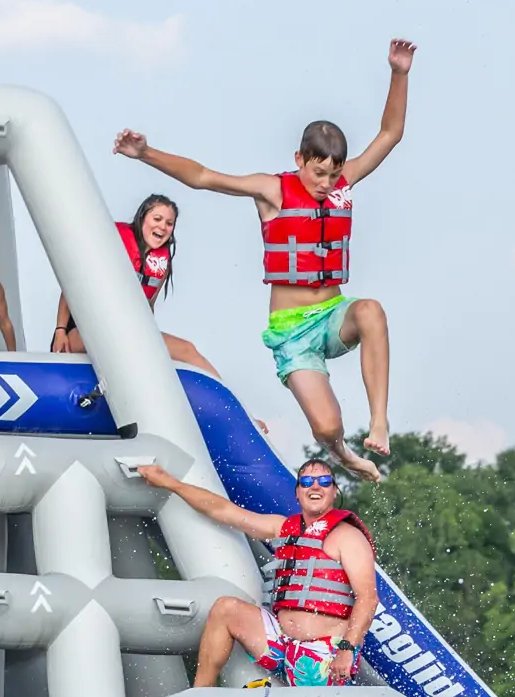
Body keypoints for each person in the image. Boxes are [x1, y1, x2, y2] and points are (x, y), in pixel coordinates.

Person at [113, 39, 416, 482]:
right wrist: (146, 153)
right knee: (327, 426)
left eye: (333, 174)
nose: (326, 183)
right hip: (292, 330)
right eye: (318, 173)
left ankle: (379, 422)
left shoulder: (342, 182)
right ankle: (343, 453)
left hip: (333, 312)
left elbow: (390, 134)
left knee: (371, 311)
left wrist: (399, 73)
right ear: (299, 160)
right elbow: (203, 178)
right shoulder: (272, 190)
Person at [138, 459, 374, 687]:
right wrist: (170, 483)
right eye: (306, 481)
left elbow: (368, 598)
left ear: (334, 492)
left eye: (324, 481)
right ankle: (200, 694)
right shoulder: (282, 527)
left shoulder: (348, 537)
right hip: (281, 645)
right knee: (225, 608)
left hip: (324, 655)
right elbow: (223, 510)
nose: (315, 486)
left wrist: (347, 649)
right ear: (297, 493)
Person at [51, 195, 222, 378]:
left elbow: (148, 307)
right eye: (157, 219)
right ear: (142, 218)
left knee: (188, 350)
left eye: (169, 223)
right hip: (82, 333)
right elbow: (73, 284)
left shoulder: (161, 265)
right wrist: (60, 330)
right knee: (114, 336)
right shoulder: (112, 243)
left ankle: (230, 401)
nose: (163, 227)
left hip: (127, 333)